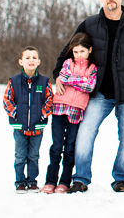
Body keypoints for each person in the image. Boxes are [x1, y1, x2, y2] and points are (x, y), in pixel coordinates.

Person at [52, 0, 124, 193]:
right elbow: (69, 49)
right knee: (85, 134)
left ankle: (121, 179)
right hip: (98, 93)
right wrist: (57, 75)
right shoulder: (90, 24)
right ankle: (80, 179)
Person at [41, 33, 97, 194]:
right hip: (59, 108)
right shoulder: (67, 63)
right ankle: (50, 181)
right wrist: (81, 80)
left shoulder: (92, 68)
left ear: (89, 50)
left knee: (70, 147)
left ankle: (64, 182)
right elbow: (63, 77)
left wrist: (72, 79)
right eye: (75, 51)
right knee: (56, 146)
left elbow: (90, 87)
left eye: (82, 51)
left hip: (76, 111)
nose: (78, 54)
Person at [3, 46, 54, 193]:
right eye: (27, 57)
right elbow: (7, 99)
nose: (31, 60)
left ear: (38, 61)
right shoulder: (14, 81)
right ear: (21, 62)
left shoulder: (44, 81)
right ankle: (20, 182)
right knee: (20, 156)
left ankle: (32, 181)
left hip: (37, 127)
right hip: (20, 126)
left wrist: (42, 115)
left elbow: (50, 99)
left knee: (33, 155)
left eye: (34, 58)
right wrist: (16, 113)